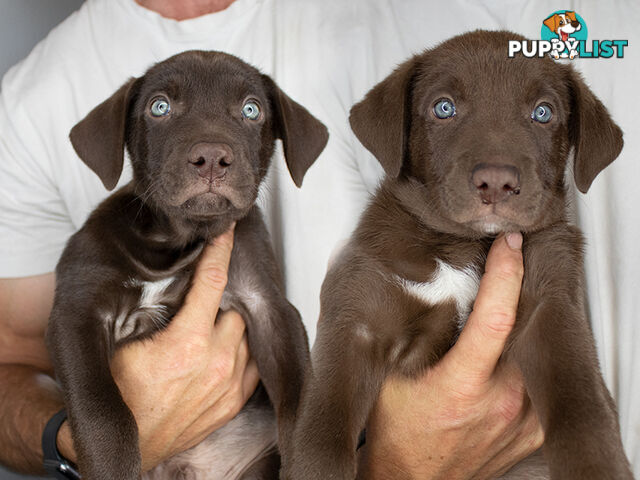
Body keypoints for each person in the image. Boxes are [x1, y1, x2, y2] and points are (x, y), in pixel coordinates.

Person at [0, 0, 637, 478]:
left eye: (250, 113)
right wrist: (80, 438)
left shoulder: (451, 28)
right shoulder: (32, 103)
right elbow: (15, 358)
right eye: (163, 112)